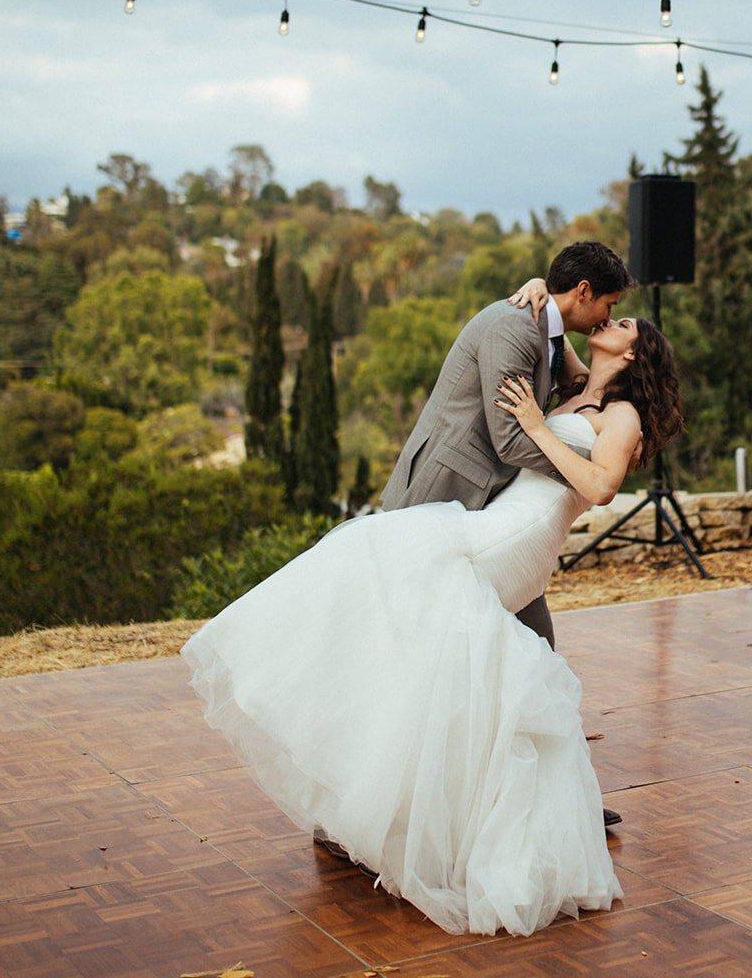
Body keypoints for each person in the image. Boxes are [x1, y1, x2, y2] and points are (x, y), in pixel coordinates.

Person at [182, 308, 682, 938]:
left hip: (517, 536)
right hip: (501, 523)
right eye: (609, 310)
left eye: (623, 323)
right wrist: (534, 293)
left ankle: (383, 796)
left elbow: (602, 485)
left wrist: (534, 424)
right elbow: (554, 325)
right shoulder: (585, 387)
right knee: (398, 605)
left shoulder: (623, 415)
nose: (610, 319)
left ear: (635, 353)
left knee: (376, 559)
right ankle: (386, 799)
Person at [382, 240, 631, 648]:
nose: (609, 317)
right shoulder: (513, 327)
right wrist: (585, 474)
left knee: (528, 637)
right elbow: (510, 441)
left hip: (495, 508)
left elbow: (587, 388)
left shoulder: (548, 331)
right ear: (584, 291)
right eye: (609, 305)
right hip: (445, 489)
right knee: (409, 626)